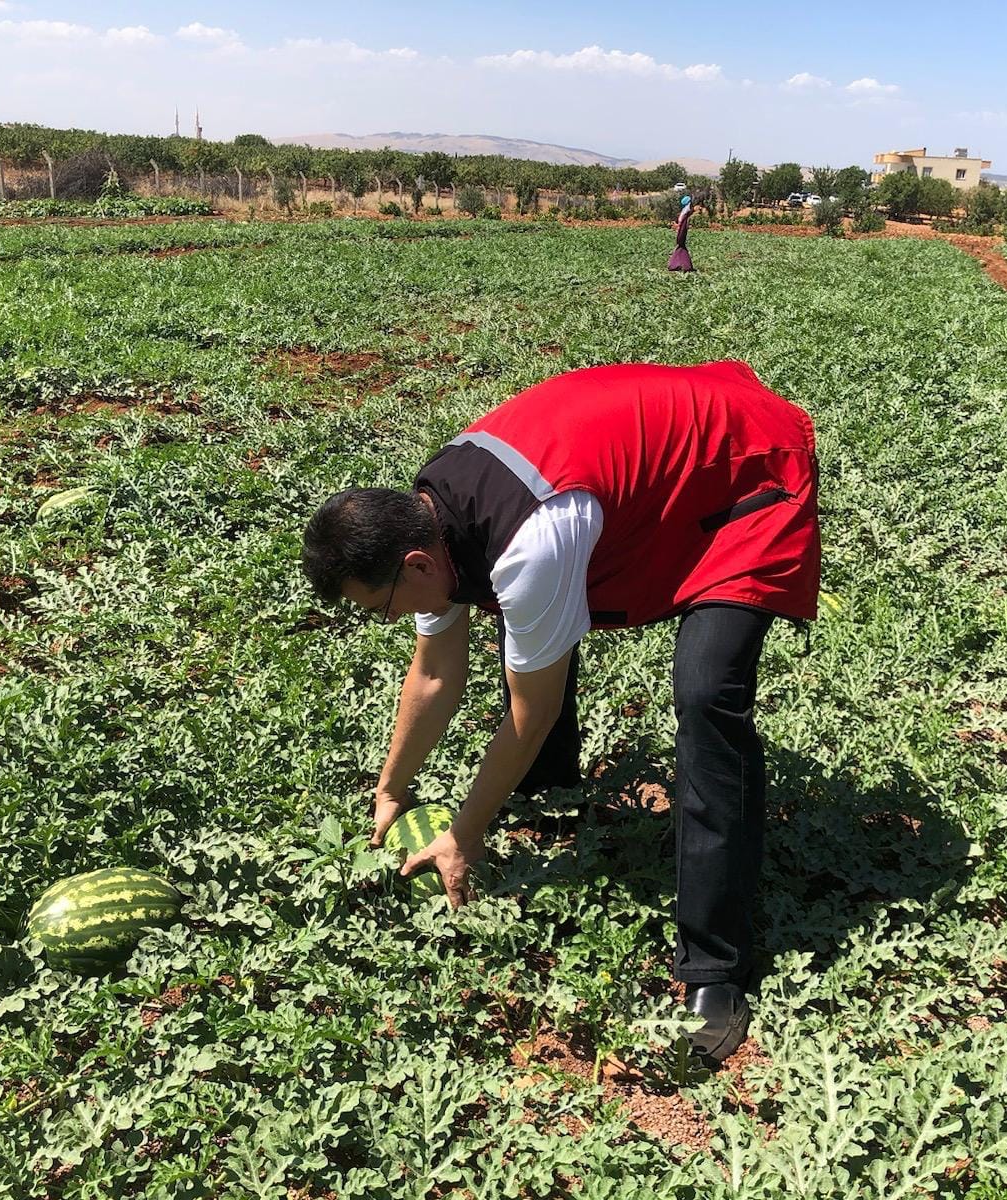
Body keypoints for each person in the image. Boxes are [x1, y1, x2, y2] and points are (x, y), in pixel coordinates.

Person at [300, 360, 820, 1064]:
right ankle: (551, 793)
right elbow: (433, 672)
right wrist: (391, 791)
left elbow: (529, 712)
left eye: (382, 607)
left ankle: (717, 969)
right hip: (650, 464)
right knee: (532, 627)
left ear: (416, 564)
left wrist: (464, 832)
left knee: (707, 695)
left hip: (745, 467)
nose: (392, 620)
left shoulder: (526, 542)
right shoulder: (432, 517)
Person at [668, 193, 695, 272]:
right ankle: (682, 265)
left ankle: (679, 264)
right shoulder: (685, 214)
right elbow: (682, 226)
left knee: (680, 249)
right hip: (681, 234)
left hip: (680, 233)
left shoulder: (683, 213)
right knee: (681, 249)